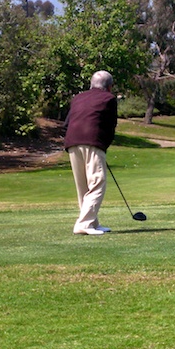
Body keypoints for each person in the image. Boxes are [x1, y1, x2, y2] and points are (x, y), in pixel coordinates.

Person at [64, 70, 118, 235]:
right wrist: (103, 145)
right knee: (97, 183)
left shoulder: (78, 97)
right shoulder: (109, 99)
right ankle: (84, 224)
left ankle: (92, 222)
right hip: (93, 141)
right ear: (109, 87)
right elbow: (110, 125)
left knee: (84, 186)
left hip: (72, 141)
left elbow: (67, 123)